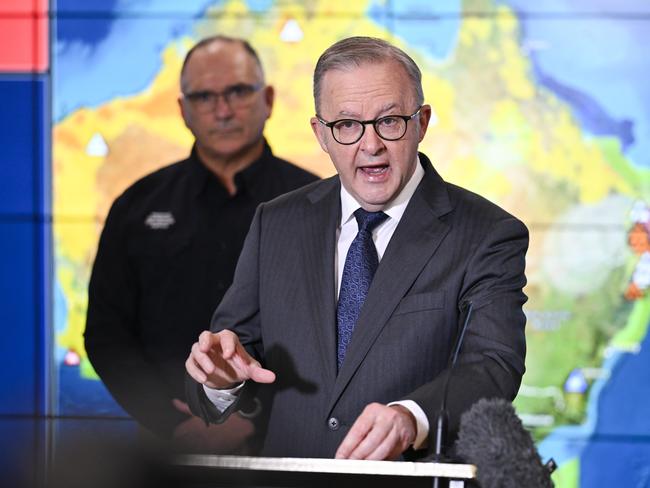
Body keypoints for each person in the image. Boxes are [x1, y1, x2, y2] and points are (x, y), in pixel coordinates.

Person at [185, 36, 528, 460]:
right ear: (321, 134)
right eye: (347, 125)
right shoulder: (276, 223)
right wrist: (220, 382)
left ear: (421, 122)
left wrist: (410, 417)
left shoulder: (487, 233)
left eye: (389, 121)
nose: (370, 145)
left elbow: (494, 365)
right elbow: (235, 351)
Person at [84, 35, 318, 451]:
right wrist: (172, 421)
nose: (223, 110)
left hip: (295, 442)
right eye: (205, 96)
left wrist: (258, 420)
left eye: (238, 92)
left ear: (267, 99)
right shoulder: (137, 207)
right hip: (171, 445)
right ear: (183, 110)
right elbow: (107, 335)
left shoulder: (320, 204)